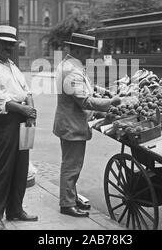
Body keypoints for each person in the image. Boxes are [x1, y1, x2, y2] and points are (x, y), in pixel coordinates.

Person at [53, 33, 121, 218]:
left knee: (72, 164)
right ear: (75, 50)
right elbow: (84, 100)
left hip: (70, 122)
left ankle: (71, 198)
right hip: (72, 125)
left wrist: (104, 91)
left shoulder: (70, 65)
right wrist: (111, 102)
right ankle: (67, 204)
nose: (90, 56)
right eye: (86, 52)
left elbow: (87, 87)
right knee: (71, 166)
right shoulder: (71, 70)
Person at [0, 25, 38, 230]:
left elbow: (26, 91)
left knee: (20, 169)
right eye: (5, 44)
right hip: (2, 122)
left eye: (12, 45)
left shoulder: (13, 66)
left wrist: (30, 111)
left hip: (21, 119)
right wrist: (24, 111)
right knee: (1, 170)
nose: (9, 48)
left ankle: (15, 209)